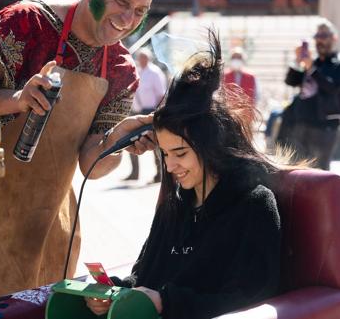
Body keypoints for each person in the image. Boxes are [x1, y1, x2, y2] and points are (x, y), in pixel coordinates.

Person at [0, 0, 166, 303]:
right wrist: (16, 100)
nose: (127, 20)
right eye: (120, 1)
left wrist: (120, 143)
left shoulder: (121, 70)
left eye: (140, 10)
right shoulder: (25, 23)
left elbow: (91, 166)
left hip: (53, 229)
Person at [86, 31, 282, 319]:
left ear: (210, 146)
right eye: (165, 154)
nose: (170, 166)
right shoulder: (176, 205)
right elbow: (144, 279)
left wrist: (167, 303)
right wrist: (114, 293)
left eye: (180, 153)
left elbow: (249, 300)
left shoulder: (254, 205)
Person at [282, 19, 340, 170]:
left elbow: (332, 87)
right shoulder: (312, 62)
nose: (320, 40)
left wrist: (311, 69)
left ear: (334, 38)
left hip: (325, 124)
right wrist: (297, 61)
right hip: (302, 121)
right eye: (317, 36)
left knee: (320, 171)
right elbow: (290, 81)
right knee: (300, 169)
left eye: (324, 35)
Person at [126, 47, 167, 182]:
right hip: (135, 111)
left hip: (151, 111)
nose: (141, 60)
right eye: (140, 57)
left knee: (154, 142)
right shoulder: (136, 70)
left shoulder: (155, 73)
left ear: (149, 58)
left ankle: (159, 174)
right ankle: (134, 173)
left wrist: (158, 113)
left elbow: (161, 94)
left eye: (144, 57)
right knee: (130, 141)